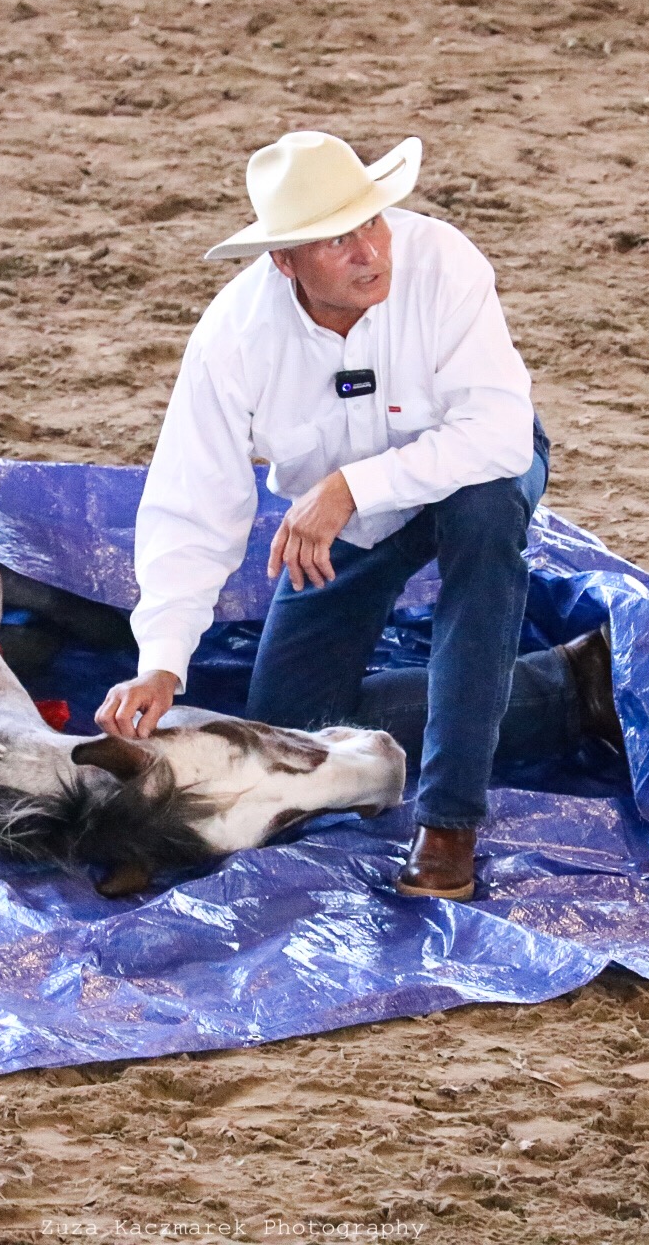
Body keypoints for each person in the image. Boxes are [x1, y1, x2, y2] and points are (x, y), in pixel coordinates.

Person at [94, 131, 619, 901]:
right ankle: (575, 688)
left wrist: (346, 487)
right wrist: (163, 658)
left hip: (468, 472)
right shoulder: (233, 337)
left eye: (371, 222)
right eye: (336, 240)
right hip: (344, 524)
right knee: (290, 727)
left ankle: (448, 823)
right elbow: (192, 500)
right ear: (285, 262)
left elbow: (498, 436)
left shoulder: (444, 263)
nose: (369, 250)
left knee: (486, 516)